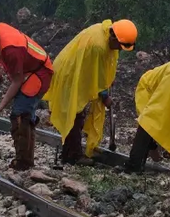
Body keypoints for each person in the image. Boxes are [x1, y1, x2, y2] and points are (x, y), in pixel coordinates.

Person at [43, 19, 138, 164]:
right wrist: (105, 96)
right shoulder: (98, 46)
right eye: (119, 46)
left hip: (78, 73)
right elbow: (98, 79)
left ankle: (70, 152)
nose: (118, 50)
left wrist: (108, 77)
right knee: (74, 115)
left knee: (77, 114)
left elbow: (105, 64)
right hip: (69, 75)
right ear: (113, 36)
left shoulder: (104, 31)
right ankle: (73, 156)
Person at [0, 20, 53, 171]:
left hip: (39, 73)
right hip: (28, 69)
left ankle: (24, 163)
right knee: (23, 115)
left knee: (20, 115)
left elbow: (17, 81)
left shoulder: (12, 49)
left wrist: (0, 107)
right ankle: (27, 158)